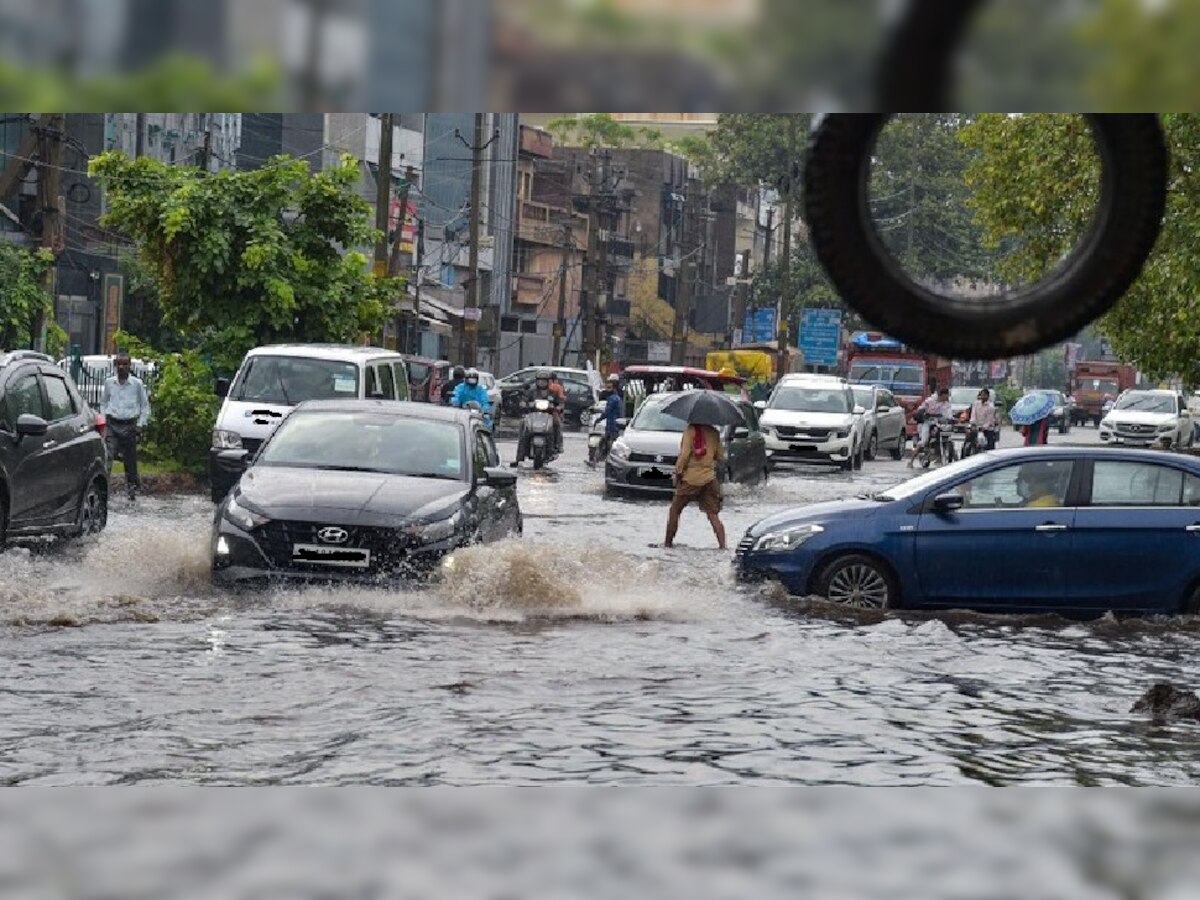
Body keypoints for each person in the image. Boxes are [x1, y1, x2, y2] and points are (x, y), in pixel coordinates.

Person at [664, 421, 727, 550]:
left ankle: (667, 545)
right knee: (713, 515)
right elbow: (720, 457)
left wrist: (678, 472)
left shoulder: (690, 431)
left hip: (690, 479)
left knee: (675, 510)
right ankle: (723, 547)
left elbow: (684, 455)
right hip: (709, 479)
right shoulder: (714, 432)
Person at [100, 351, 151, 501]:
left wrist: (140, 424)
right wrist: (104, 422)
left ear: (129, 366)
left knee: (130, 460)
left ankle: (132, 490)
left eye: (125, 364)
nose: (122, 367)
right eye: (119, 364)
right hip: (112, 425)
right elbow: (103, 403)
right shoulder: (109, 383)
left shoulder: (137, 384)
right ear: (115, 366)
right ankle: (104, 491)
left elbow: (144, 406)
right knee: (108, 457)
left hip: (129, 426)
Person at [512, 369, 562, 466]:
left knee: (557, 422)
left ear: (548, 382)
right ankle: (519, 457)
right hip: (532, 416)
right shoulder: (531, 392)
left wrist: (559, 407)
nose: (542, 383)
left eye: (544, 381)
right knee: (523, 425)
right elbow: (524, 400)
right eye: (540, 381)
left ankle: (557, 445)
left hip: (549, 416)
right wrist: (523, 404)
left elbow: (560, 402)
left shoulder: (553, 393)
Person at [908, 386, 953, 467]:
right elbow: (921, 410)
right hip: (927, 423)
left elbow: (948, 414)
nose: (948, 397)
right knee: (924, 441)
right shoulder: (930, 401)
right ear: (942, 395)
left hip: (940, 424)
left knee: (947, 436)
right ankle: (911, 461)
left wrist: (950, 419)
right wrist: (924, 414)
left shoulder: (947, 404)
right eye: (947, 395)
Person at [590, 373, 624, 466]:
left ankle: (599, 461)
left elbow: (607, 412)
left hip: (612, 426)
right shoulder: (617, 398)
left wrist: (599, 419)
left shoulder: (613, 399)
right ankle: (596, 461)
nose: (607, 389)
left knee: (607, 445)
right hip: (614, 426)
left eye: (609, 387)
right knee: (605, 443)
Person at [547, 372, 568, 452]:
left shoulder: (557, 388)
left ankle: (558, 444)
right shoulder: (537, 388)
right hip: (539, 412)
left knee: (557, 424)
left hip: (552, 411)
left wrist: (559, 407)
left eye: (549, 380)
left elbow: (561, 399)